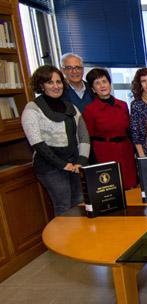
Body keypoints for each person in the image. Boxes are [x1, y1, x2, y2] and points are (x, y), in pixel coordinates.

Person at [21, 65, 90, 216]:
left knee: (79, 202)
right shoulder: (32, 109)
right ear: (41, 85)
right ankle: (64, 240)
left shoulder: (71, 108)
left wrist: (81, 161)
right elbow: (37, 143)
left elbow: (84, 136)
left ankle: (79, 238)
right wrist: (62, 164)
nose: (56, 86)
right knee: (63, 205)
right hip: (50, 167)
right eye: (50, 82)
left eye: (58, 82)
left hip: (74, 164)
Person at [82, 68, 138, 189]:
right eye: (97, 83)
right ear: (92, 89)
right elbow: (89, 138)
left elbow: (128, 130)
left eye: (104, 81)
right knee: (112, 187)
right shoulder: (90, 110)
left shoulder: (122, 105)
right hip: (105, 153)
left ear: (109, 83)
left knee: (131, 185)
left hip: (126, 150)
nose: (102, 85)